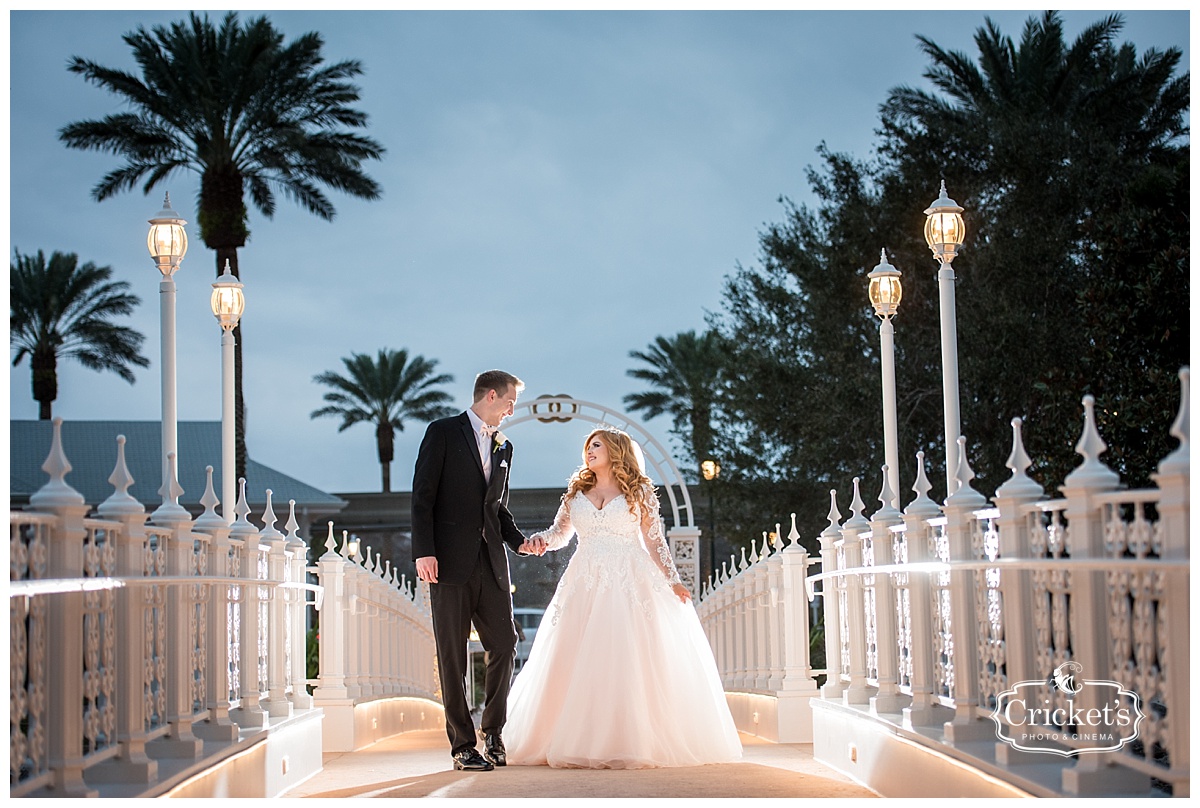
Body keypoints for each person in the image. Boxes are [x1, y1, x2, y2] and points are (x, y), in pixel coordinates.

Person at [503, 426, 742, 768]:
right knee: (575, 656)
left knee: (626, 655)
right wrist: (540, 540)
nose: (589, 451)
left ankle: (628, 739)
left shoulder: (639, 490)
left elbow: (654, 541)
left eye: (596, 445)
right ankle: (571, 736)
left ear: (615, 450)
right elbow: (560, 534)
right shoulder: (576, 492)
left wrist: (673, 579)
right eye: (587, 446)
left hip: (630, 577)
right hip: (584, 580)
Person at [411, 370, 544, 772]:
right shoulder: (443, 432)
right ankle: (462, 746)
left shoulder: (505, 447)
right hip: (448, 563)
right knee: (451, 654)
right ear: (491, 395)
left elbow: (497, 508)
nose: (510, 412)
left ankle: (494, 733)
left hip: (491, 564)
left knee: (505, 643)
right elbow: (422, 496)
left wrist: (519, 541)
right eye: (509, 403)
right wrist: (424, 551)